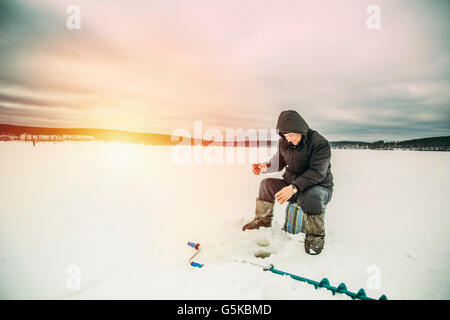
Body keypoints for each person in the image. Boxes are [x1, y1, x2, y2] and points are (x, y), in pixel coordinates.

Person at [242, 110, 334, 255]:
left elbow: (317, 173)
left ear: (300, 129)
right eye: (285, 136)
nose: (288, 139)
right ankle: (262, 221)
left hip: (319, 189)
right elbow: (278, 162)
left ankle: (315, 236)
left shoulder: (319, 143)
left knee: (311, 195)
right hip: (292, 185)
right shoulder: (284, 143)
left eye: (291, 135)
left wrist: (294, 187)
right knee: (266, 185)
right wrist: (265, 166)